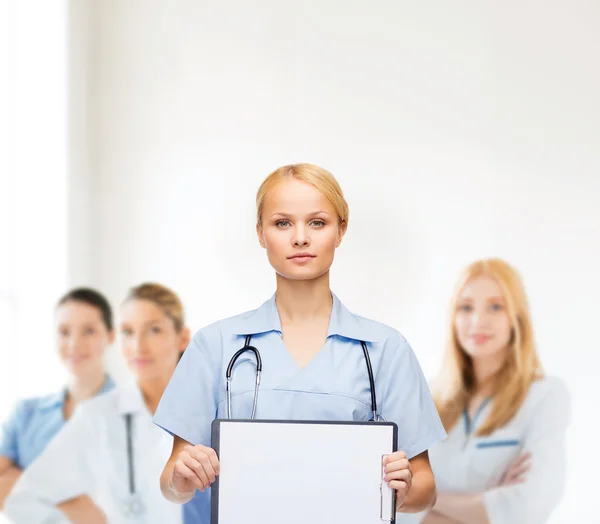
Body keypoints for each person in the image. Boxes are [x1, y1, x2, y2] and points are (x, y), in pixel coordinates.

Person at [153, 163, 447, 522]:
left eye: (317, 222)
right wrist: (183, 478)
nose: (300, 238)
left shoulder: (385, 350)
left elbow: (426, 488)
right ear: (260, 233)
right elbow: (171, 483)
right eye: (282, 223)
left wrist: (403, 490)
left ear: (341, 230)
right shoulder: (215, 345)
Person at [5, 283, 200, 524]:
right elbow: (25, 497)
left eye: (154, 330)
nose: (138, 346)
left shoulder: (210, 410)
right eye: (127, 332)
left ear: (183, 338)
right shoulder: (95, 415)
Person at [420, 258, 571, 524]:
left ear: (517, 317)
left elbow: (527, 507)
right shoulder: (427, 397)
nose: (478, 320)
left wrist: (429, 501)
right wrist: (487, 503)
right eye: (465, 308)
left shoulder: (544, 396)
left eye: (495, 307)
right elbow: (392, 505)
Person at [0, 288, 115, 509]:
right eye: (64, 332)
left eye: (88, 331)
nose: (74, 343)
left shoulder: (133, 416)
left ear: (110, 335)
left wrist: (23, 482)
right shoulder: (25, 414)